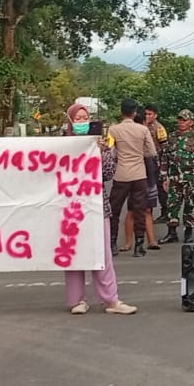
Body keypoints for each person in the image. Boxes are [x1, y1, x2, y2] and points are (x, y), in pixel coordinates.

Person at [62, 104, 137, 316]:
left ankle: (111, 300)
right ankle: (76, 300)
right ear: (70, 121)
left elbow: (108, 174)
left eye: (85, 117)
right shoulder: (60, 145)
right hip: (70, 207)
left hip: (96, 206)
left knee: (102, 252)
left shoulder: (99, 145)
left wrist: (104, 152)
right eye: (78, 118)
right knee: (74, 253)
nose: (82, 121)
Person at [108, 99, 158, 257]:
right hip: (139, 174)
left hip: (121, 174)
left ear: (121, 112)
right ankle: (138, 246)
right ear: (135, 112)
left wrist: (120, 155)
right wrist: (138, 153)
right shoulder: (142, 130)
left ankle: (113, 243)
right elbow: (152, 152)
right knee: (140, 210)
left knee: (114, 210)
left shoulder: (114, 130)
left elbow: (109, 151)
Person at [162, 109, 194, 244]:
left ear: (191, 122)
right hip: (174, 178)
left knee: (191, 205)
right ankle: (172, 233)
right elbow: (165, 158)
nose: (181, 123)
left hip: (191, 177)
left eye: (184, 120)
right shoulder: (172, 137)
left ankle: (189, 232)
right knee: (172, 205)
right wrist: (164, 177)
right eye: (179, 119)